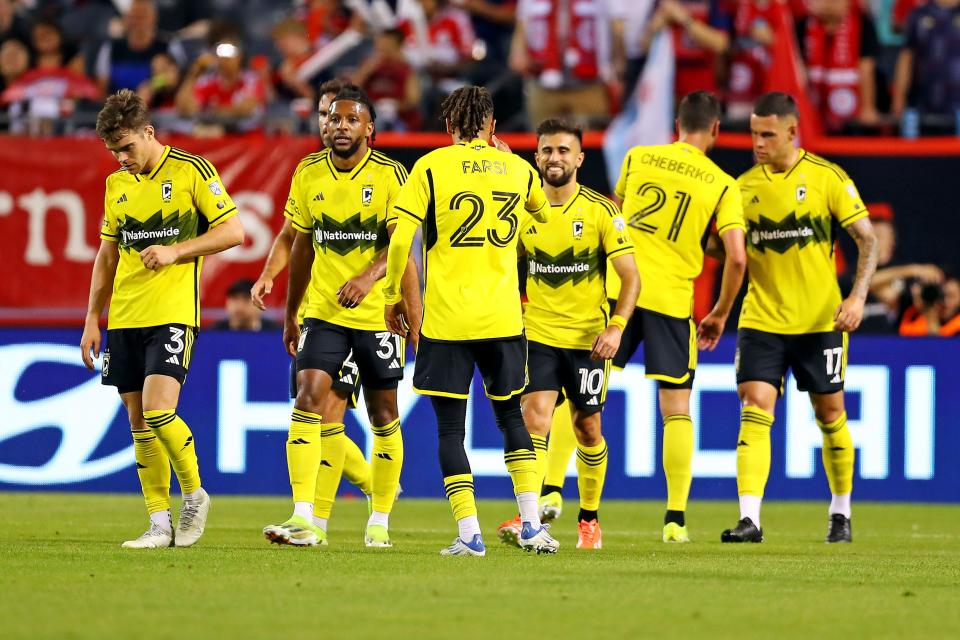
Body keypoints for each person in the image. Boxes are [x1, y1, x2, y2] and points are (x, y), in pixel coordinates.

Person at [382, 85, 558, 556]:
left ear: (448, 128)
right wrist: (511, 164)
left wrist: (391, 294)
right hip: (503, 318)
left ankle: (469, 535)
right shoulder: (518, 170)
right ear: (493, 127)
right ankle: (531, 525)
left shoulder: (430, 167)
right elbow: (542, 218)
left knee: (448, 430)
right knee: (511, 418)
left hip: (446, 321)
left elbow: (401, 240)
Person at [80, 89, 244, 548]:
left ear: (149, 133)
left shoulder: (192, 171)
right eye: (114, 151)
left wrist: (176, 251)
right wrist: (93, 317)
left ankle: (194, 495)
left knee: (158, 412)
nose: (122, 158)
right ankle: (158, 522)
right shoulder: (117, 185)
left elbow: (234, 231)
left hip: (173, 312)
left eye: (128, 147)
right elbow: (107, 256)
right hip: (125, 316)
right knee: (137, 423)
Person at [266, 86, 420, 548]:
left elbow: (399, 245)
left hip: (377, 317)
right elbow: (301, 245)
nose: (340, 126)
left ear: (369, 129)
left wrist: (369, 280)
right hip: (324, 313)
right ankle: (305, 516)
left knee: (384, 414)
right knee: (308, 400)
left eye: (351, 120)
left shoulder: (392, 175)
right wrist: (291, 314)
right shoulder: (308, 172)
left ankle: (379, 520)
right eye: (333, 119)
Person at [723, 91, 878, 544]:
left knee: (830, 415)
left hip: (820, 322)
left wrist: (857, 298)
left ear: (793, 132)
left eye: (767, 134)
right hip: (762, 319)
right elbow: (727, 250)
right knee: (754, 408)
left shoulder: (827, 178)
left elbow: (867, 240)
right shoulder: (742, 188)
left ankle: (841, 510)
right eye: (753, 134)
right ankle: (750, 518)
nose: (758, 143)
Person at [496, 118, 639, 550]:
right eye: (546, 151)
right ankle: (529, 519)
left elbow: (630, 277)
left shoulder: (601, 210)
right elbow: (502, 263)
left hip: (587, 340)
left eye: (563, 150)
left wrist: (616, 326)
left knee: (587, 429)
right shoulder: (522, 213)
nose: (554, 158)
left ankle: (589, 520)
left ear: (579, 158)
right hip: (537, 332)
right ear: (536, 157)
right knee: (534, 418)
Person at [611, 90, 747, 543]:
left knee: (584, 395)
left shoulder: (638, 156)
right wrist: (720, 313)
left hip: (620, 294)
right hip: (671, 302)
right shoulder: (723, 184)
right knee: (675, 411)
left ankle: (552, 494)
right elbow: (737, 258)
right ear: (715, 130)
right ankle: (675, 519)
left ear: (676, 123)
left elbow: (614, 219)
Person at [211, 278, 281, 331]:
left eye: (246, 299)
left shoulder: (275, 333)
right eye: (234, 299)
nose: (239, 306)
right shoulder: (214, 334)